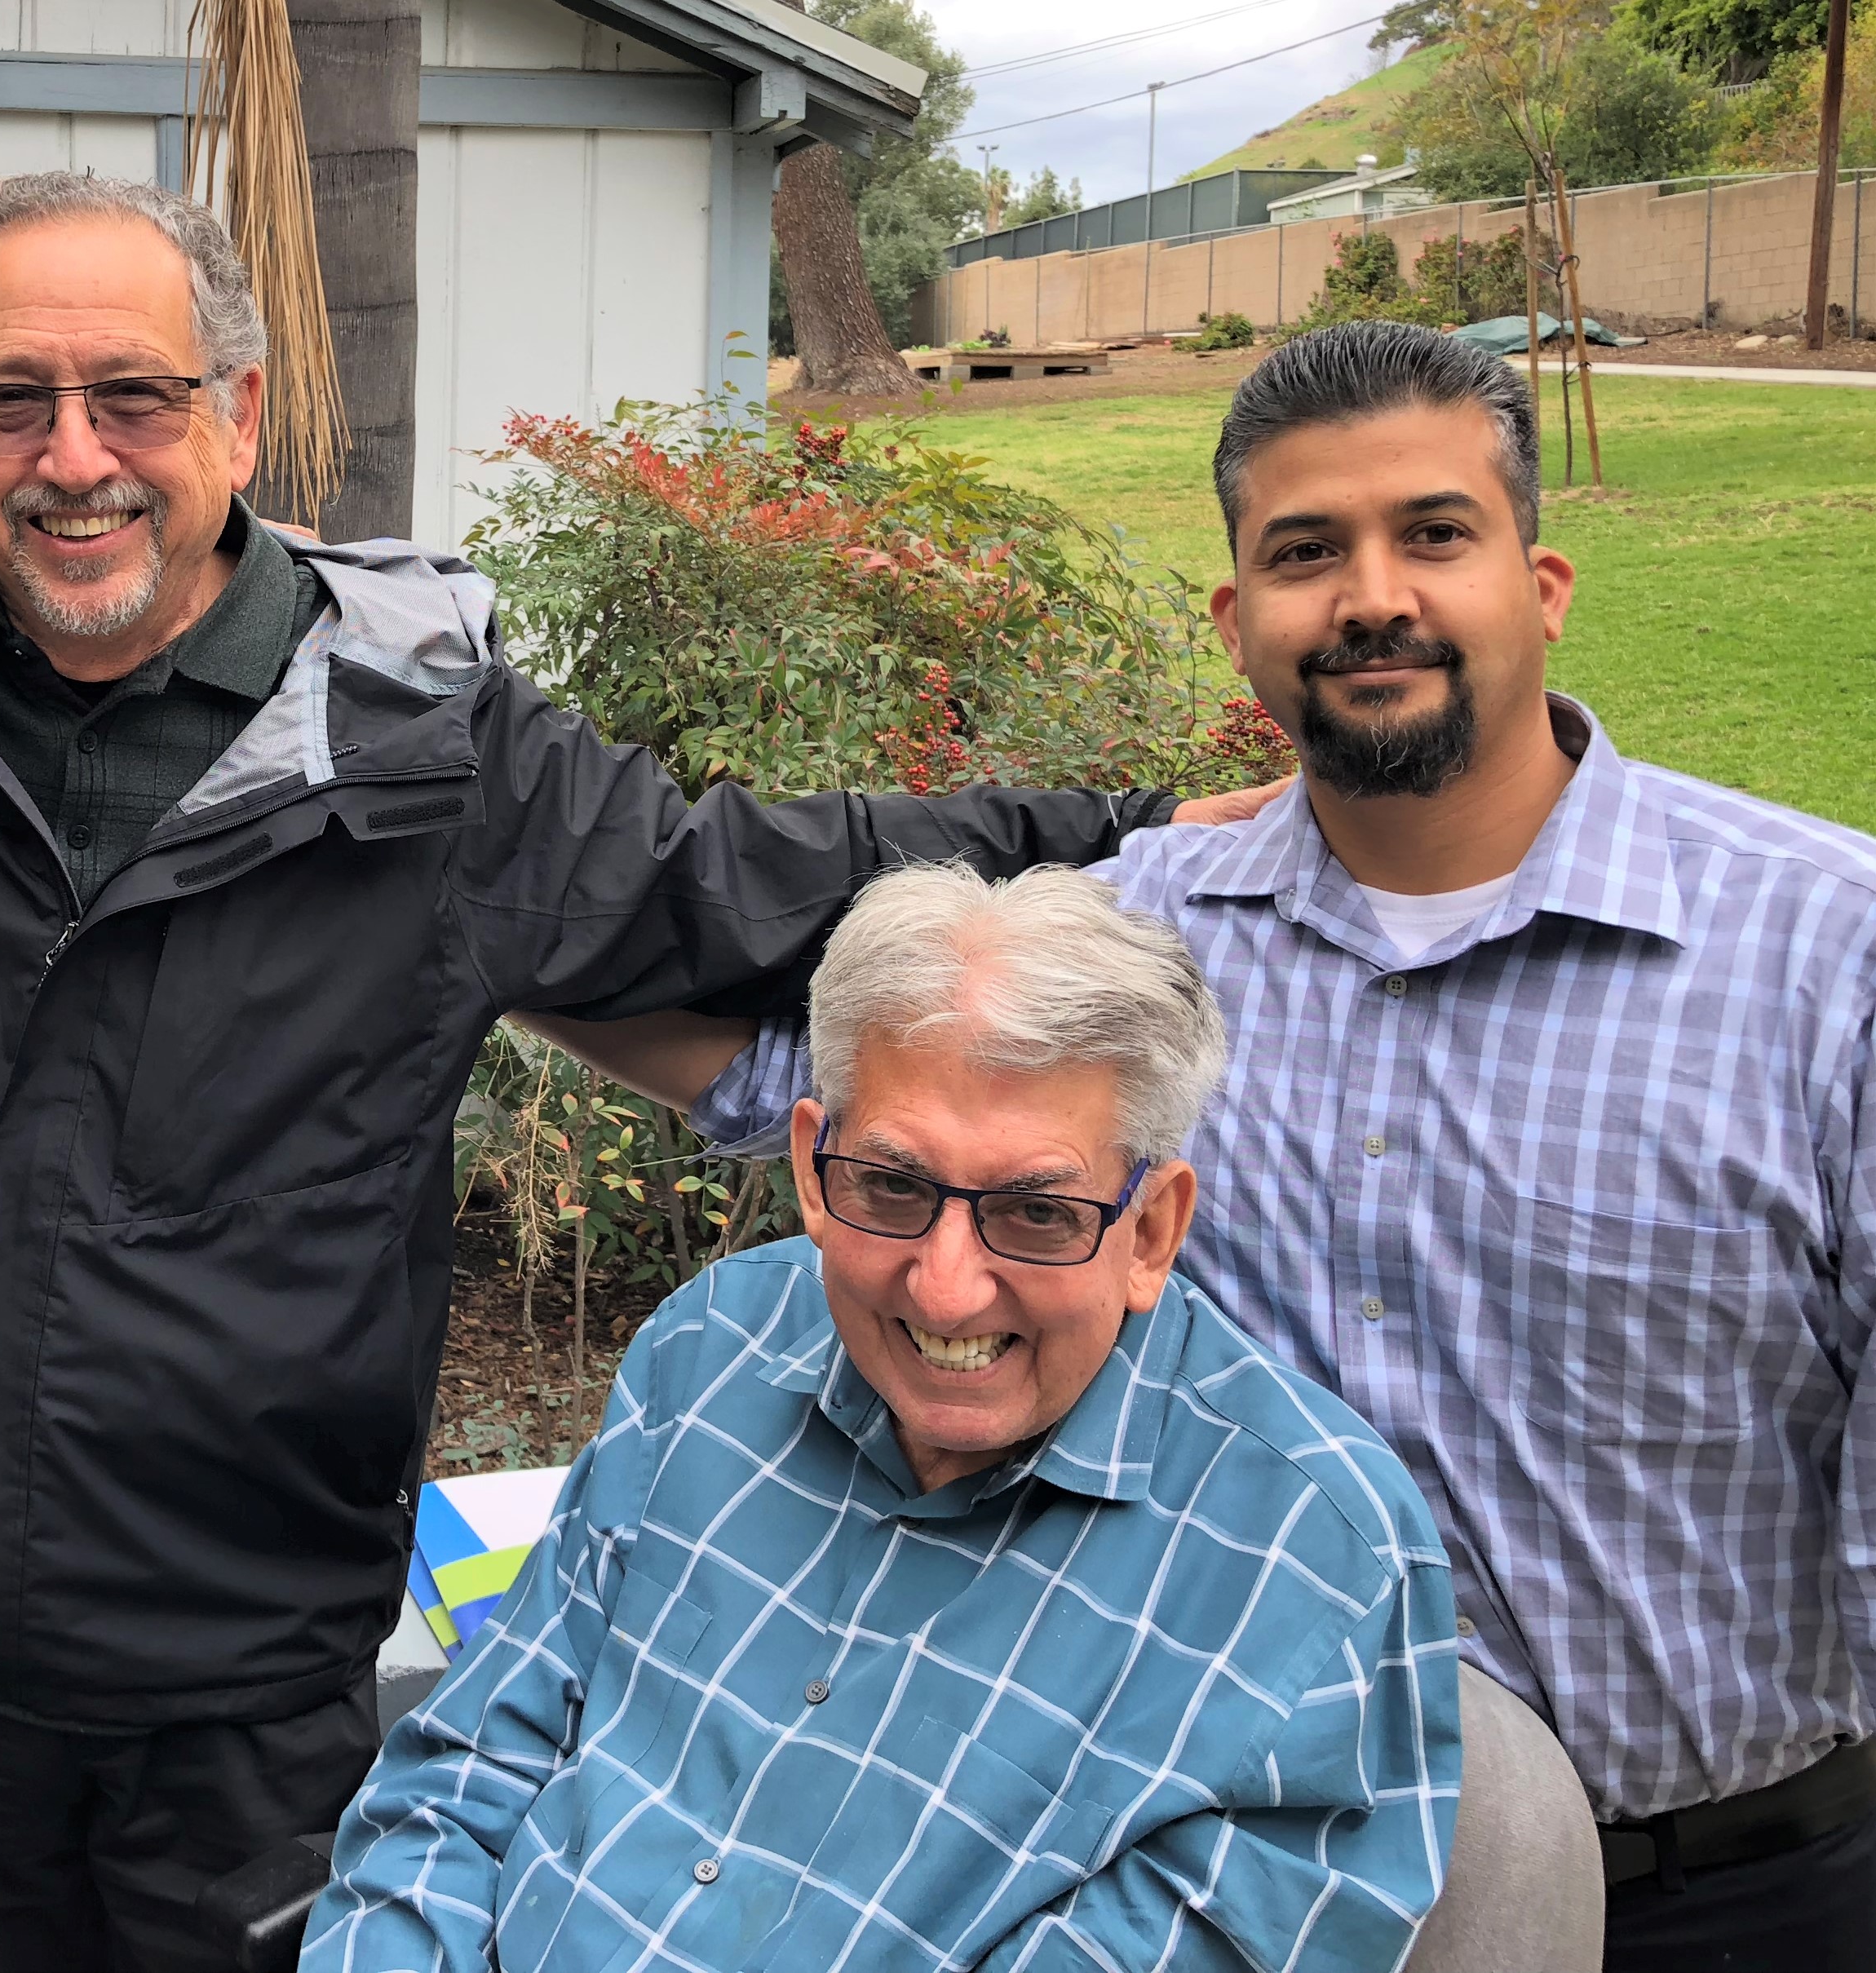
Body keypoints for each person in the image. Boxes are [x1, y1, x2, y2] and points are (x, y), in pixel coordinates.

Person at [0, 167, 1257, 1971]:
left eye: (135, 396)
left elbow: (728, 881)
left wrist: (1128, 834)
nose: (71, 457)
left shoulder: (423, 748)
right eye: (10, 400)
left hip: (248, 1706)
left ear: (237, 414)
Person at [659, 321, 1876, 1971]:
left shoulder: (1823, 962)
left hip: (1717, 1891)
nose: (1370, 597)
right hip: (1223, 1887)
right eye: (1305, 553)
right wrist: (468, 946)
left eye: (1431, 534)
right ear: (1239, 622)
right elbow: (802, 1091)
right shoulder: (1139, 937)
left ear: (1541, 585)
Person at [305, 863, 1461, 1971]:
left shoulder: (1309, 1568)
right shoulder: (712, 1350)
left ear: (1151, 1231)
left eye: (1038, 1213)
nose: (946, 1292)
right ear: (813, 1168)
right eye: (894, 1188)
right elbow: (468, 1770)